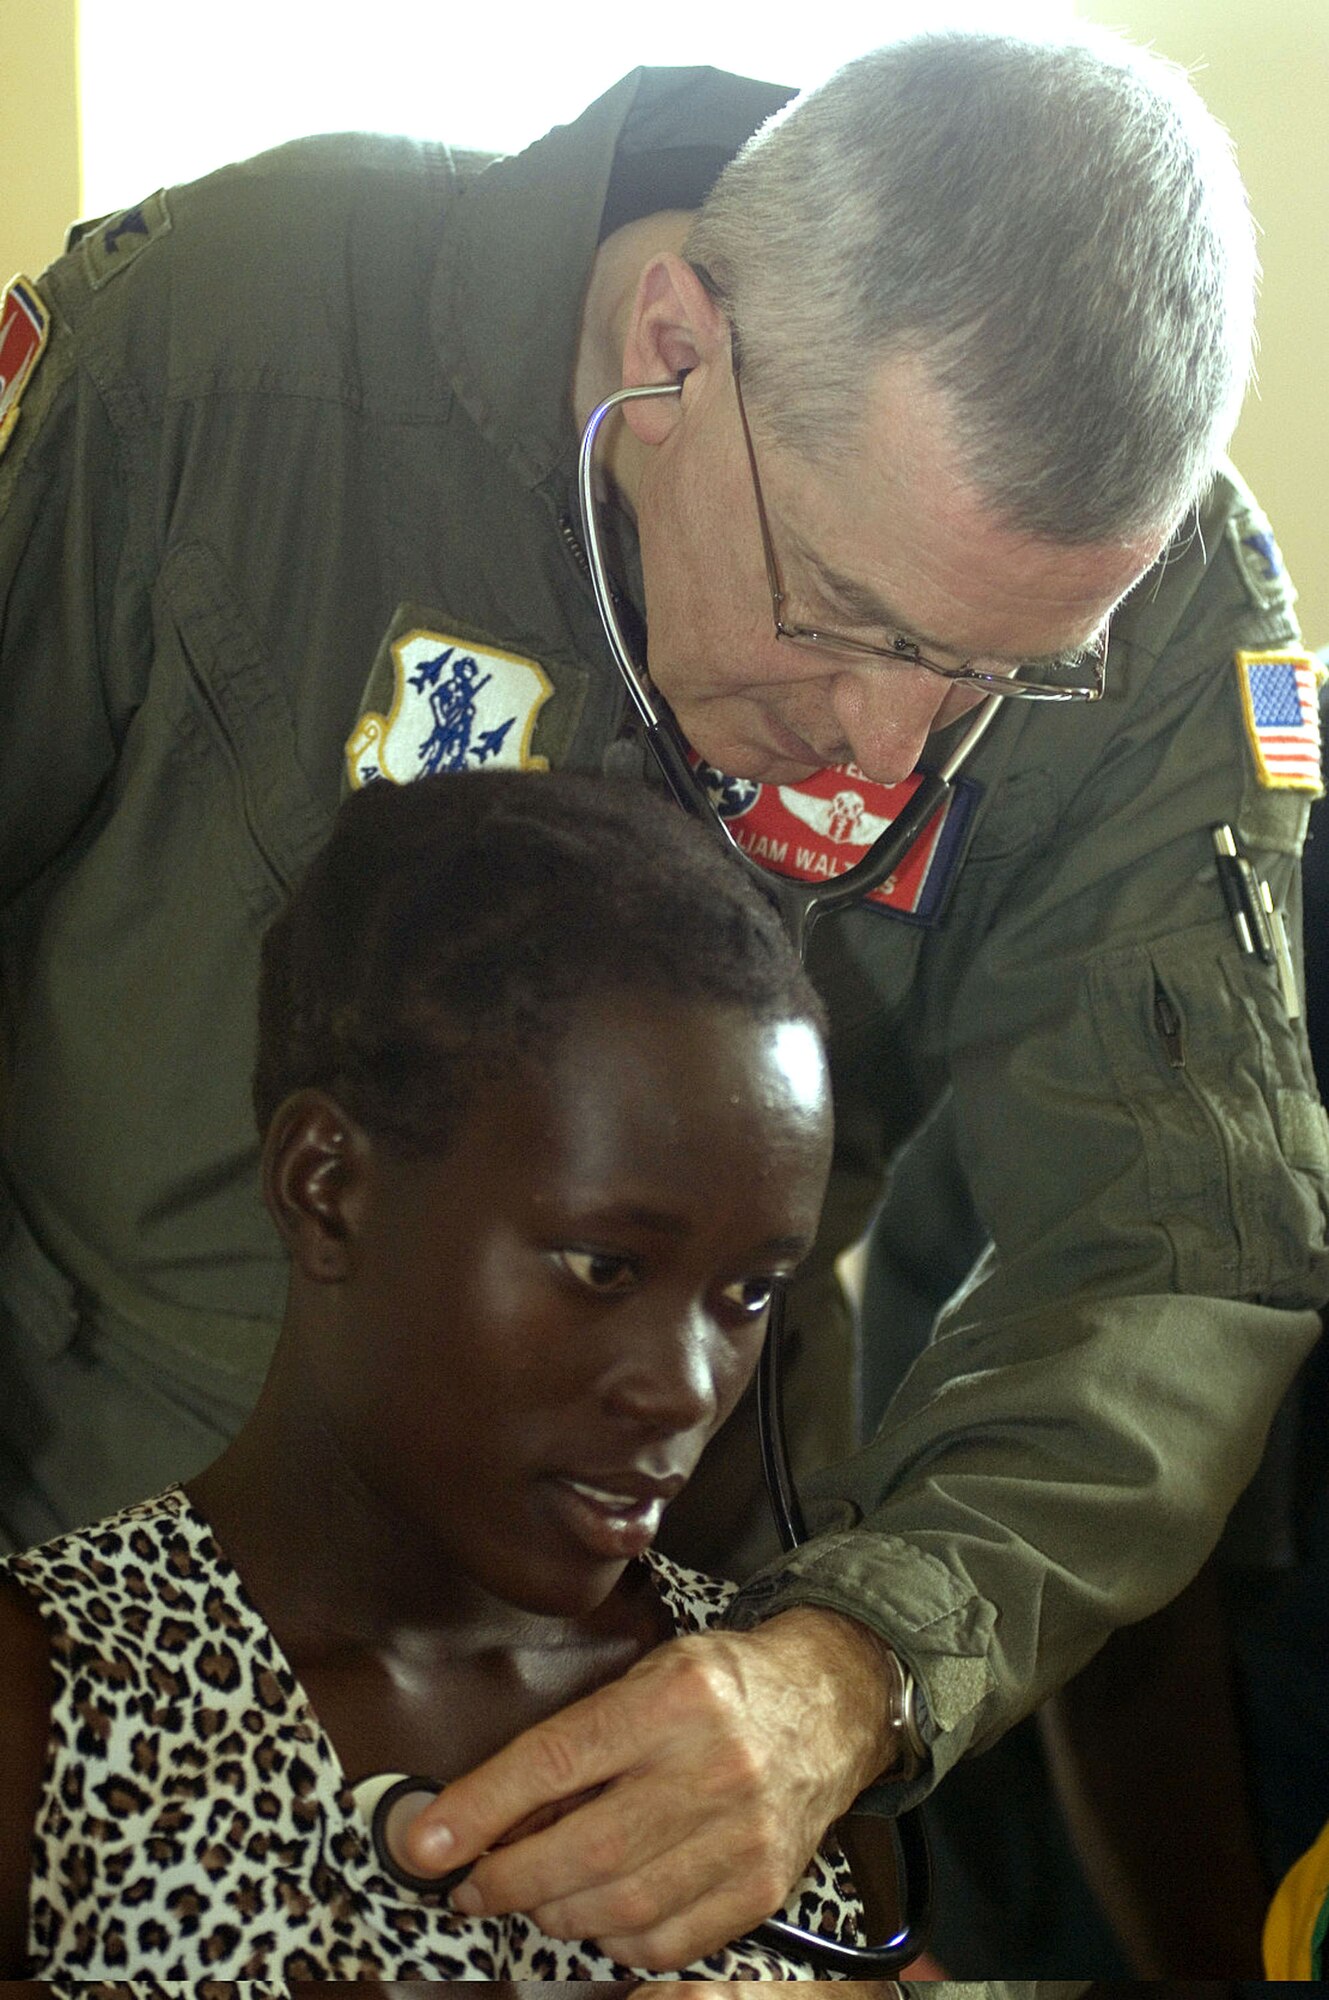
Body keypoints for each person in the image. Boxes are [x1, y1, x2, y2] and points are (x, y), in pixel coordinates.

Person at [0, 22, 1325, 1974]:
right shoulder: (227, 354)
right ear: (673, 347)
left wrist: (849, 1670)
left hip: (642, 1700)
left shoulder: (1166, 606)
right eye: (848, 620)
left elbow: (1174, 1252)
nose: (887, 744)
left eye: (994, 680)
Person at [0, 767, 867, 1982]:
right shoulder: (52, 1706)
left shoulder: (750, 1726)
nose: (682, 1388)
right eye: (603, 1265)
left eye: (752, 1291)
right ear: (327, 1188)